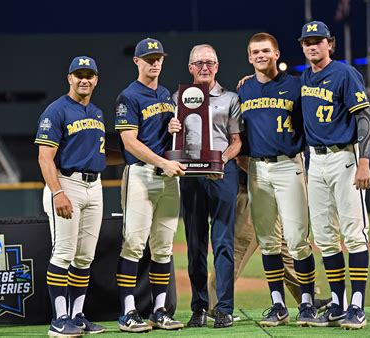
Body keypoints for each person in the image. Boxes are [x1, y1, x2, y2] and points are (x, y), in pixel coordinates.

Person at [237, 32, 317, 327]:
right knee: (269, 242)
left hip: (288, 166)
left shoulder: (296, 86)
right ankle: (278, 305)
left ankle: (307, 303)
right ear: (249, 57)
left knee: (297, 240)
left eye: (265, 51)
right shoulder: (243, 90)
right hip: (258, 169)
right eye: (255, 51)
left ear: (277, 53)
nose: (260, 55)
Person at [299, 21, 370, 329]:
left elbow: (364, 118)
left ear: (330, 43)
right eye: (307, 42)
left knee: (353, 234)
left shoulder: (345, 73)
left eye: (318, 41)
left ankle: (357, 305)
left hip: (345, 157)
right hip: (315, 161)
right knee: (326, 238)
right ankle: (338, 302)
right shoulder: (304, 77)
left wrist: (365, 160)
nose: (313, 46)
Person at [168, 44, 242, 329]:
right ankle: (198, 307)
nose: (204, 67)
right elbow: (174, 142)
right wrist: (172, 129)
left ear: (217, 66)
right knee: (195, 245)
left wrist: (220, 161)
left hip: (223, 174)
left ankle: (223, 309)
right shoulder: (178, 98)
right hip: (190, 176)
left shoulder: (230, 99)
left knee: (223, 243)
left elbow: (237, 142)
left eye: (210, 62)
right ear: (190, 68)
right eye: (199, 63)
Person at [114, 37, 185, 333]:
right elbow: (129, 142)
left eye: (158, 57)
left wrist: (172, 128)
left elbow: (167, 137)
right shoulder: (128, 97)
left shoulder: (168, 94)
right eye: (149, 58)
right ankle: (128, 311)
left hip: (168, 177)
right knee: (133, 244)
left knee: (163, 248)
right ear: (137, 61)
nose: (154, 62)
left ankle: (159, 310)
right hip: (141, 174)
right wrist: (162, 162)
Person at [35, 56, 106, 336]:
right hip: (67, 184)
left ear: (96, 80)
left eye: (89, 75)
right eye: (79, 75)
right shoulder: (56, 111)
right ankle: (59, 319)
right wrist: (58, 192)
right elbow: (44, 157)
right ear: (70, 78)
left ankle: (77, 317)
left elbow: (94, 153)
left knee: (84, 257)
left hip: (95, 186)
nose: (84, 79)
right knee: (63, 252)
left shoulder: (98, 113)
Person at [207, 168, 331, 318]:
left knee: (285, 247)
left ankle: (306, 299)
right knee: (238, 250)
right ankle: (214, 305)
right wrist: (269, 173)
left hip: (271, 190)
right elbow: (242, 159)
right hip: (251, 192)